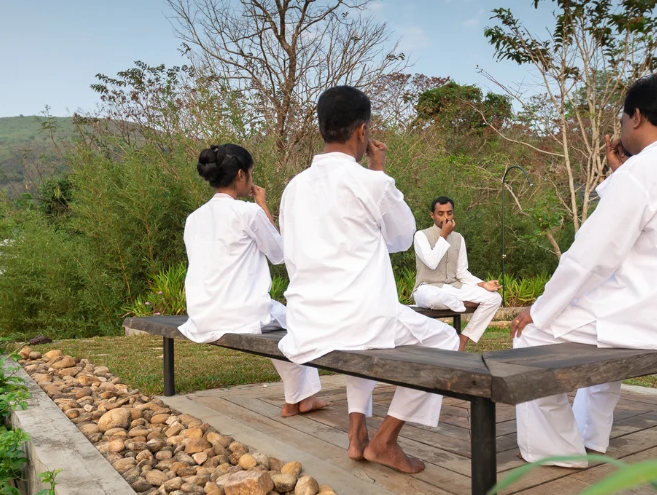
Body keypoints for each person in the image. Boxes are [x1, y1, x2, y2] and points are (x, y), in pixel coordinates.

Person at [508, 75, 657, 468]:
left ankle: (555, 451)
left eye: (623, 119)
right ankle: (590, 435)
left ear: (637, 116)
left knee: (530, 336)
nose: (622, 128)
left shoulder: (644, 170)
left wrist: (540, 308)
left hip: (648, 314)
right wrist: (621, 173)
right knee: (602, 328)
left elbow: (591, 256)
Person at [278, 86, 460, 474]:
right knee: (445, 340)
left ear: (322, 128)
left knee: (369, 326)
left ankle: (356, 432)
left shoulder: (294, 187)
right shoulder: (370, 182)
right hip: (358, 317)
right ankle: (385, 441)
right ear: (362, 131)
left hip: (306, 320)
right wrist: (379, 172)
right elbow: (400, 240)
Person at [179, 143, 326, 418]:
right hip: (239, 312)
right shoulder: (247, 212)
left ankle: (301, 398)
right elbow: (279, 253)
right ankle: (298, 399)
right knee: (299, 321)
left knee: (285, 321)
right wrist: (262, 205)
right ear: (240, 175)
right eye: (251, 173)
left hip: (202, 314)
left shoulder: (194, 218)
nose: (251, 179)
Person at [411, 196, 504, 350]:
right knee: (434, 298)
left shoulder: (458, 238)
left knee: (494, 298)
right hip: (427, 288)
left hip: (452, 289)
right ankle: (464, 303)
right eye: (440, 213)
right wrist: (444, 235)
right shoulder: (421, 236)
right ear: (432, 215)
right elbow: (431, 262)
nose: (445, 217)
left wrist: (482, 284)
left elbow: (461, 272)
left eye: (449, 213)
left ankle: (462, 340)